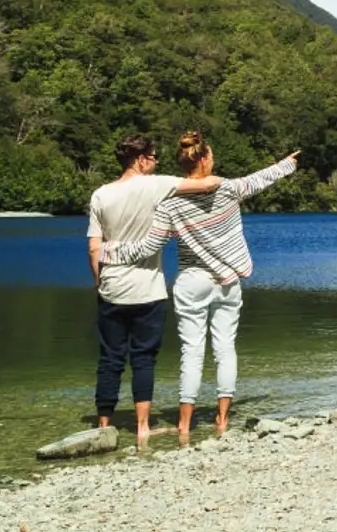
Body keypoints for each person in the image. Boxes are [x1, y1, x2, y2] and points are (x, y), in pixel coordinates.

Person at [100, 132, 299, 441]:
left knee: (191, 352)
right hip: (227, 281)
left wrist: (111, 251)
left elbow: (148, 247)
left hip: (192, 281)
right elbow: (259, 180)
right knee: (225, 349)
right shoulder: (228, 189)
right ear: (204, 159)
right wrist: (286, 164)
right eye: (213, 155)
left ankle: (183, 425)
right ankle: (221, 419)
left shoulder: (170, 204)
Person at [86, 134, 222, 444]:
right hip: (148, 289)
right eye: (154, 156)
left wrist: (99, 282)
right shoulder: (156, 185)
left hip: (112, 288)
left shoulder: (100, 195)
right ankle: (143, 427)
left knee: (110, 358)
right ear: (141, 159)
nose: (157, 161)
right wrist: (220, 172)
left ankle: (104, 424)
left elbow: (94, 248)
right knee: (144, 357)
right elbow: (204, 185)